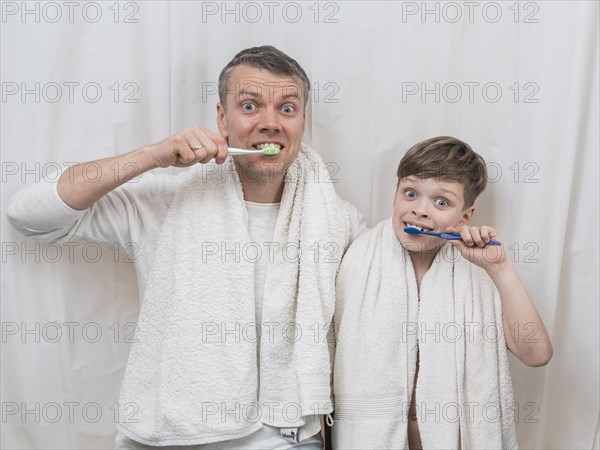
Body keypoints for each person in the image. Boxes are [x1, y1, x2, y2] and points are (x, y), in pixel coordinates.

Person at [7, 46, 366, 449]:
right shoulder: (166, 201)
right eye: (250, 106)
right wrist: (153, 156)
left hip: (286, 438)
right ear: (221, 119)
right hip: (170, 436)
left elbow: (364, 328)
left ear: (302, 121)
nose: (271, 123)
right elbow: (29, 216)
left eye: (287, 108)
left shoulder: (337, 222)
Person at [331, 136, 552, 449]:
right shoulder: (356, 260)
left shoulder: (480, 272)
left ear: (464, 217)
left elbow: (537, 354)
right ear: (395, 196)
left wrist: (500, 268)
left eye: (441, 202)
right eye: (410, 193)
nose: (420, 210)